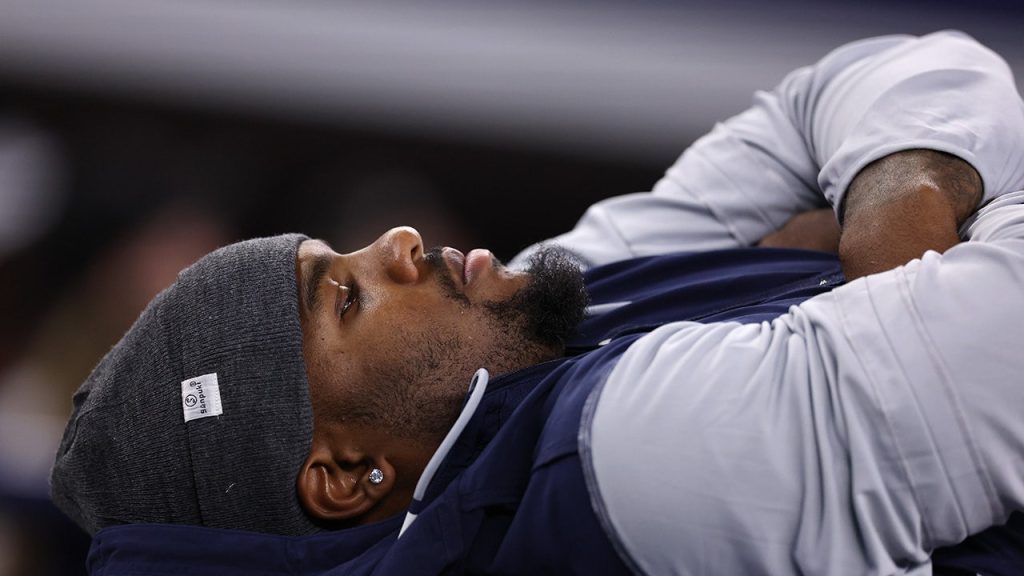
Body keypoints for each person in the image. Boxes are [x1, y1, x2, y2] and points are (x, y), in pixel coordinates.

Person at [49, 29, 1024, 575]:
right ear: (347, 477)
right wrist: (924, 206)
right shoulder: (629, 457)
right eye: (345, 297)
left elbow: (847, 85)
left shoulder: (526, 319)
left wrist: (895, 199)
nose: (396, 243)